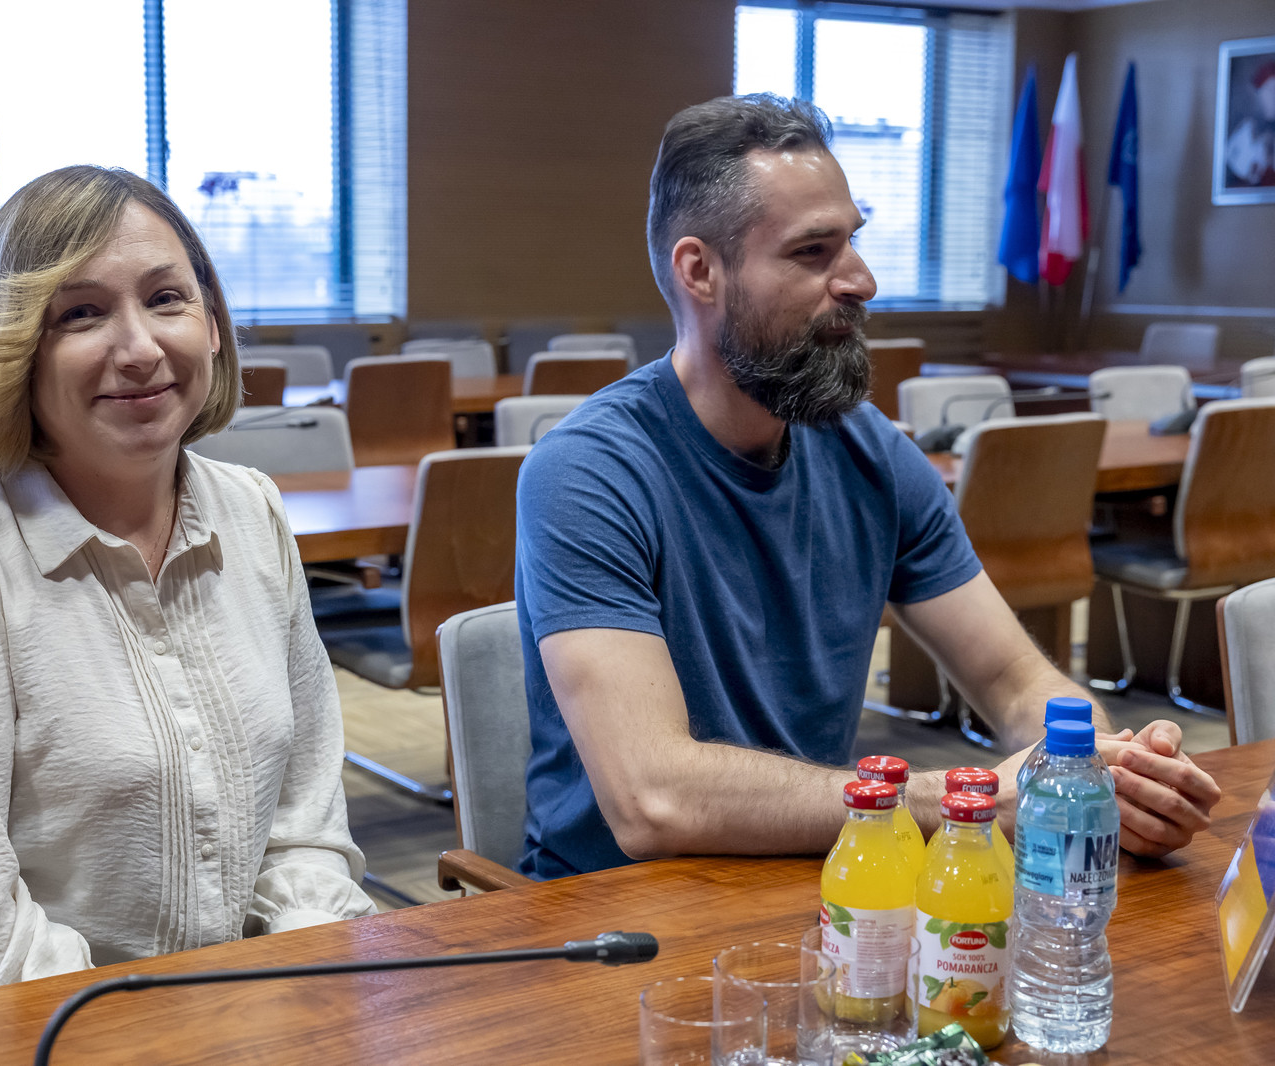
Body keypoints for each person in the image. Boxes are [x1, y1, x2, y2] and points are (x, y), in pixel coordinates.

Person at [515, 94, 1221, 881]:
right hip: (613, 913)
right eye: (813, 251)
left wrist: (1100, 768)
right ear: (700, 272)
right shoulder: (588, 473)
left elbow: (1014, 679)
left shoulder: (871, 452)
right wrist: (967, 799)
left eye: (852, 240)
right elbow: (655, 799)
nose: (862, 279)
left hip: (817, 882)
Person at [0, 166, 374, 1022]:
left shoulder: (252, 511)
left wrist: (303, 980)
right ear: (12, 348)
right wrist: (167, 1029)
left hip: (189, 1006)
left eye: (166, 298)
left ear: (212, 324)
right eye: (81, 314)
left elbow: (304, 824)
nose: (140, 348)